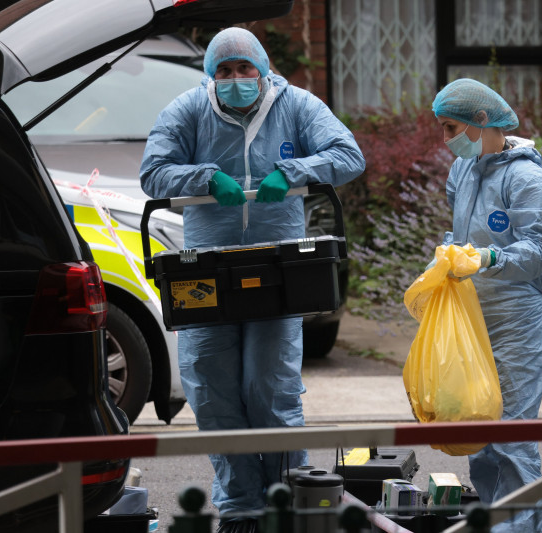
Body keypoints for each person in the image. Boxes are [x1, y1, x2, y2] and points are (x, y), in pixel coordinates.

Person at [140, 27, 365, 532]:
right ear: (210, 76)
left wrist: (294, 171)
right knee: (212, 390)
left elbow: (348, 156)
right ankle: (241, 506)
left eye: (246, 70)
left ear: (264, 71)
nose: (236, 79)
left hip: (278, 266)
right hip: (206, 270)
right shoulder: (188, 110)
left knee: (270, 387)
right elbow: (153, 171)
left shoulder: (298, 106)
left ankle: (283, 502)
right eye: (224, 71)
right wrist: (201, 176)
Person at [428, 78, 542, 532]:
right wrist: (448, 255)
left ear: (481, 121)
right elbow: (462, 233)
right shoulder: (462, 172)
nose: (446, 140)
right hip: (472, 317)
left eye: (451, 128)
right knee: (479, 433)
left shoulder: (526, 177)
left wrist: (489, 258)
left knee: (511, 437)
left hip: (516, 321)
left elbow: (539, 249)